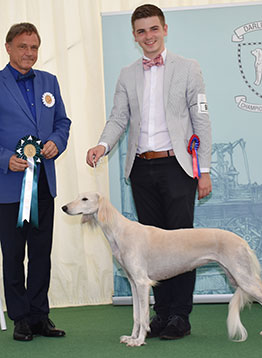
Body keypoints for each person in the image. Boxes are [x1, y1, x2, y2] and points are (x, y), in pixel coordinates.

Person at [86, 4, 212, 340]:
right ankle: (161, 315)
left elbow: (201, 120)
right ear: (134, 36)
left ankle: (179, 317)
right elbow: (118, 119)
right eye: (141, 31)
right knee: (150, 252)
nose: (148, 37)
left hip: (178, 167)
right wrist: (102, 145)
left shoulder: (188, 68)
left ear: (165, 29)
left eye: (153, 29)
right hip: (141, 168)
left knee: (181, 245)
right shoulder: (127, 74)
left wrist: (204, 170)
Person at [0, 23, 71, 341]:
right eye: (23, 46)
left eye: (34, 47)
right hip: (9, 187)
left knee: (42, 254)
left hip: (43, 183)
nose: (29, 53)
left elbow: (62, 121)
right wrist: (5, 159)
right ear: (8, 48)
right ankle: (20, 319)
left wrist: (58, 140)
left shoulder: (49, 82)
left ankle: (40, 316)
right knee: (13, 255)